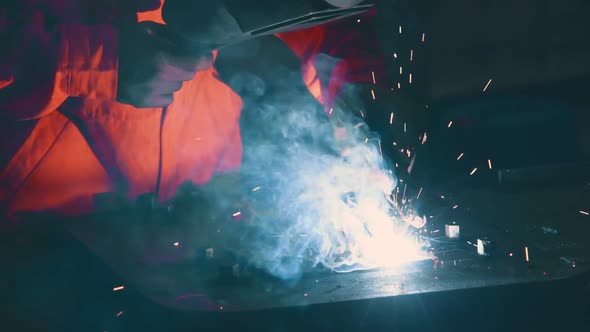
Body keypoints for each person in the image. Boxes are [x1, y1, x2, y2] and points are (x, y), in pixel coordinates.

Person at [1, 0, 384, 310]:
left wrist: (355, 108)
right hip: (36, 257)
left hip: (198, 234)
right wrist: (87, 60)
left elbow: (334, 33)